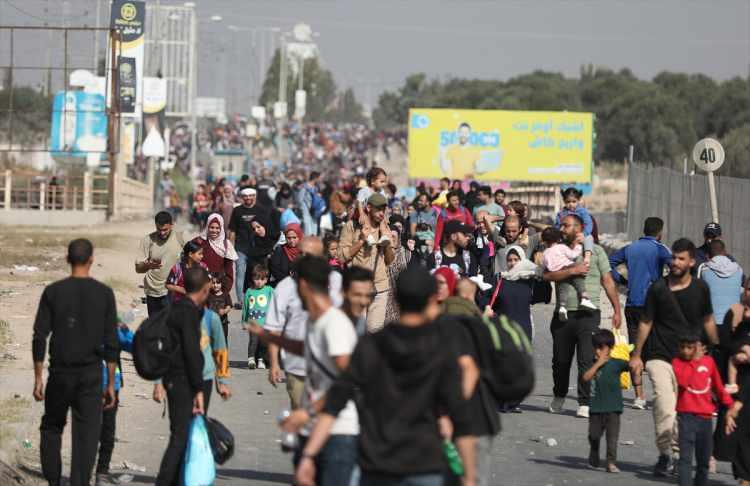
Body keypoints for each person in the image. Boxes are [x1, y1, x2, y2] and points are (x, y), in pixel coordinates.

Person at [294, 267, 477, 486]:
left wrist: (308, 456)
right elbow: (461, 415)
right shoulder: (440, 348)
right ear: (430, 300)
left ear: (395, 298)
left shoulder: (371, 345)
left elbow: (335, 401)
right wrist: (469, 476)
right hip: (425, 463)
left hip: (378, 465)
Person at [248, 256, 360, 485]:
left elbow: (347, 381)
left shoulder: (335, 324)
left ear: (304, 286)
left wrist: (306, 412)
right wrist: (270, 338)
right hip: (317, 428)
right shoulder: (316, 321)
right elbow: (309, 347)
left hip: (339, 432)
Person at [629, 238, 720, 477]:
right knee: (664, 406)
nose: (675, 263)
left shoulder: (701, 288)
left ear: (691, 261)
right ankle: (665, 454)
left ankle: (680, 456)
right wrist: (637, 355)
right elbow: (646, 322)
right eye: (673, 258)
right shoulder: (658, 288)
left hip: (690, 359)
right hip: (659, 355)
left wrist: (718, 349)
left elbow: (708, 320)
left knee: (685, 411)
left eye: (681, 259)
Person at [33, 239, 118, 486]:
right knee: (87, 435)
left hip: (60, 373)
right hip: (90, 375)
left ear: (67, 260)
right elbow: (111, 343)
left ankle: (53, 481)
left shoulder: (53, 291)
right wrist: (110, 383)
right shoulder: (104, 294)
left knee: (51, 428)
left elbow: (39, 336)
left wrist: (38, 377)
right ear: (91, 260)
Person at [545, 214, 622, 419]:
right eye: (561, 225)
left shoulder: (596, 252)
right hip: (563, 314)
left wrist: (617, 309)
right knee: (560, 361)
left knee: (586, 359)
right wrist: (573, 270)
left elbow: (607, 281)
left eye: (566, 225)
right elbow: (547, 275)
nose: (562, 229)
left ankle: (584, 401)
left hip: (589, 313)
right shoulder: (556, 251)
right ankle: (559, 395)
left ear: (578, 228)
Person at [264, 237, 343, 409]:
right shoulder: (285, 287)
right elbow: (274, 328)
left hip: (329, 367)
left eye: (311, 255)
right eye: (302, 254)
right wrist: (274, 364)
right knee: (301, 416)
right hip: (297, 368)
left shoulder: (336, 281)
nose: (305, 259)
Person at [609, 216, 672, 410]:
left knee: (636, 350)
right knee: (656, 350)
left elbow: (608, 263)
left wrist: (622, 280)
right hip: (652, 305)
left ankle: (639, 396)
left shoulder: (631, 248)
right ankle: (659, 395)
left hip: (632, 304)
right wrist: (665, 284)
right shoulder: (660, 249)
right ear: (660, 233)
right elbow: (675, 266)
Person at [155, 267, 209, 486]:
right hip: (182, 380)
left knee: (180, 435)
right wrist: (198, 389)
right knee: (179, 437)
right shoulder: (188, 313)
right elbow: (191, 352)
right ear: (205, 289)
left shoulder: (174, 309)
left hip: (172, 377)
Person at [673, 332, 733, 486]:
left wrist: (730, 406)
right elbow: (684, 381)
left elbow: (718, 387)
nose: (687, 351)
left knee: (703, 461)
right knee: (685, 459)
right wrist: (694, 363)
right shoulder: (678, 362)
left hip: (705, 418)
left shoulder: (709, 362)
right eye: (684, 347)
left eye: (692, 347)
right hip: (686, 416)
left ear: (703, 348)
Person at [339, 193, 395, 333]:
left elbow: (390, 260)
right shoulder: (352, 227)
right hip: (358, 288)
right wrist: (361, 241)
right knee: (356, 333)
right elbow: (341, 257)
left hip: (380, 288)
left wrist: (387, 244)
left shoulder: (385, 228)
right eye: (378, 210)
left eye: (384, 210)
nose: (382, 214)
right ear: (368, 208)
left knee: (375, 334)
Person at [582, 329, 629, 473]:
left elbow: (631, 365)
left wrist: (636, 363)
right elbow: (585, 377)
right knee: (594, 435)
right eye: (596, 348)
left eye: (602, 348)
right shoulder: (592, 364)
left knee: (612, 439)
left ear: (610, 348)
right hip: (596, 408)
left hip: (614, 408)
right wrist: (598, 364)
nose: (599, 351)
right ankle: (594, 452)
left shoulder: (617, 363)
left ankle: (611, 463)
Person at [95, 317, 134, 486]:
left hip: (110, 385)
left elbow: (132, 344)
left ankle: (101, 472)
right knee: (101, 431)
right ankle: (97, 473)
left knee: (106, 431)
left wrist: (125, 330)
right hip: (94, 386)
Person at [228, 187, 275, 303]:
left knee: (257, 272)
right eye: (245, 196)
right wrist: (230, 247)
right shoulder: (237, 210)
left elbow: (268, 229)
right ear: (242, 197)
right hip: (240, 248)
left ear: (255, 196)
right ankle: (241, 301)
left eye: (251, 195)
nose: (248, 198)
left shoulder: (262, 210)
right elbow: (232, 230)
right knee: (240, 272)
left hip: (257, 249)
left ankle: (258, 296)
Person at [541, 226, 596, 321]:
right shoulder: (561, 247)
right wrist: (578, 246)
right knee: (578, 278)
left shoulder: (545, 253)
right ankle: (584, 297)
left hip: (558, 273)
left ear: (544, 241)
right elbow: (573, 255)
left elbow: (546, 266)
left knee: (562, 288)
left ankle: (562, 306)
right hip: (568, 266)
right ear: (558, 238)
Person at [136, 211, 184, 316]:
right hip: (152, 292)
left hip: (172, 292)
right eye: (159, 229)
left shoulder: (180, 238)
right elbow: (138, 269)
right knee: (155, 327)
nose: (162, 233)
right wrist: (147, 265)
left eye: (165, 230)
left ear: (172, 225)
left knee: (170, 327)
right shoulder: (147, 240)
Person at [698, 239, 743, 326]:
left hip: (712, 324)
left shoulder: (704, 270)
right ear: (725, 253)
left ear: (707, 256)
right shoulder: (738, 270)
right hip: (735, 323)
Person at [194, 213, 238, 299]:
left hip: (218, 288)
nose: (214, 230)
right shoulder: (199, 242)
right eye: (212, 227)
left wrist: (225, 292)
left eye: (218, 228)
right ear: (207, 227)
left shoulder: (226, 245)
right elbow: (188, 256)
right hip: (201, 288)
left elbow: (229, 272)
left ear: (221, 228)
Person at [243, 264, 274, 370]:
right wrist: (244, 321)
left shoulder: (269, 290)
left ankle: (260, 360)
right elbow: (246, 308)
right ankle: (251, 359)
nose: (259, 281)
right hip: (253, 323)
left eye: (262, 279)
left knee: (263, 343)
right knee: (253, 341)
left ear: (266, 280)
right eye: (257, 279)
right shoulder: (249, 292)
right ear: (253, 278)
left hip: (265, 323)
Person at [384, 224, 411, 324]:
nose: (392, 239)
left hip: (400, 297)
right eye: (389, 237)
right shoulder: (380, 253)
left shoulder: (406, 253)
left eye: (394, 237)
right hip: (385, 298)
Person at [341, 266, 375, 336]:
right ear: (343, 292)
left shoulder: (360, 320)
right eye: (357, 295)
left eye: (368, 296)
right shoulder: (334, 324)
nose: (363, 302)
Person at [207, 272, 232, 344]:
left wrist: (224, 311)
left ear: (222, 283)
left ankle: (223, 354)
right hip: (211, 323)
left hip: (223, 323)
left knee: (223, 340)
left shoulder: (225, 295)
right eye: (213, 283)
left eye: (218, 283)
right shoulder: (209, 295)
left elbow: (229, 306)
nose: (215, 285)